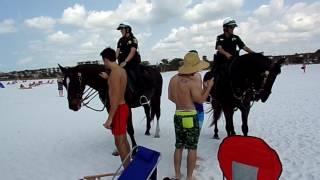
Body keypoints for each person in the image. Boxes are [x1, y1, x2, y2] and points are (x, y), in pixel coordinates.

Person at [168, 52, 214, 180]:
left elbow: (170, 97)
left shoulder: (173, 79)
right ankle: (189, 177)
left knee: (178, 146)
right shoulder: (192, 81)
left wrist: (181, 101)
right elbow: (200, 100)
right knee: (192, 148)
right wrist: (208, 87)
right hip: (190, 116)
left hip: (178, 115)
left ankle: (177, 175)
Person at [100, 47, 131, 168]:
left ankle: (128, 169)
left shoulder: (114, 74)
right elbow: (118, 86)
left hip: (118, 109)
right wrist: (108, 80)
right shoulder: (121, 70)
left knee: (119, 142)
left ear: (106, 59)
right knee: (123, 139)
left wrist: (110, 118)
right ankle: (130, 164)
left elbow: (115, 98)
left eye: (104, 61)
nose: (104, 64)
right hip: (124, 107)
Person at [213, 17, 255, 95]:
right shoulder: (220, 37)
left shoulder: (236, 38)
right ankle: (212, 93)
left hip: (233, 61)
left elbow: (244, 47)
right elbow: (219, 48)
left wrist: (254, 53)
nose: (233, 29)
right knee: (214, 74)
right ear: (225, 28)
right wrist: (226, 54)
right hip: (222, 61)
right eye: (231, 27)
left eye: (233, 27)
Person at [116, 23, 147, 104]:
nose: (121, 31)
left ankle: (142, 95)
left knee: (137, 75)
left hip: (132, 63)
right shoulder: (120, 40)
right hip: (121, 63)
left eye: (122, 29)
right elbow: (117, 52)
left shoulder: (133, 39)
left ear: (127, 30)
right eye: (120, 30)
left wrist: (125, 61)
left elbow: (132, 52)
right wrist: (112, 61)